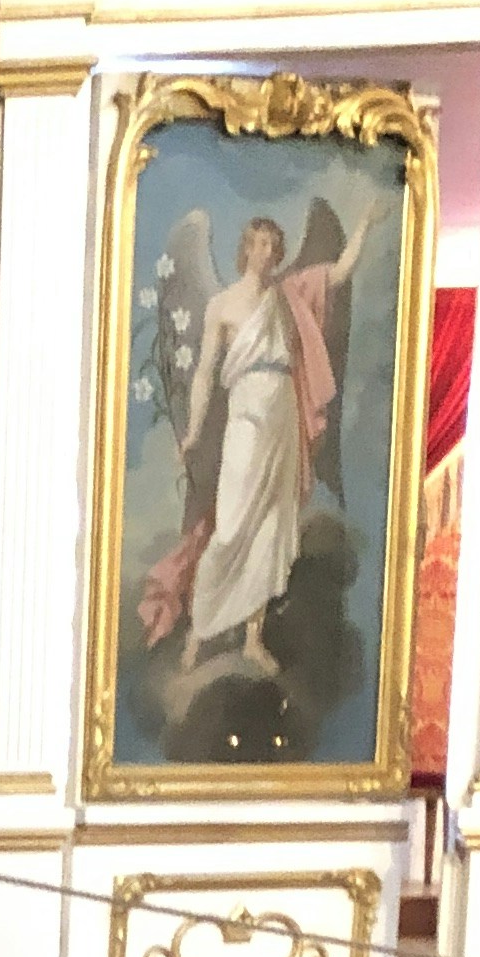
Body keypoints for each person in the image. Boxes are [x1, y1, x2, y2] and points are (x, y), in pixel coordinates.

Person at [175, 205, 371, 678]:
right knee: (234, 523)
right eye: (257, 243)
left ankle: (252, 639)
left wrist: (363, 222)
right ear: (245, 249)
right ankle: (198, 633)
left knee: (272, 525)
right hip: (246, 416)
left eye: (272, 246)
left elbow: (340, 273)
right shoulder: (222, 304)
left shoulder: (289, 295)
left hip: (282, 415)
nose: (265, 252)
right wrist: (196, 430)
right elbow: (204, 372)